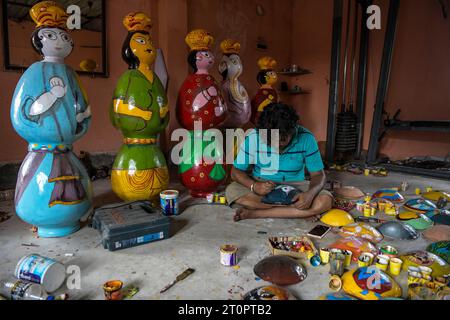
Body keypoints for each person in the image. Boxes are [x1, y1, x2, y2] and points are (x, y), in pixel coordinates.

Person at [225, 103, 333, 221]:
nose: (276, 146)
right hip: (261, 183)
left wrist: (310, 194)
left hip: (297, 186)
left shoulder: (306, 138)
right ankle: (298, 211)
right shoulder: (254, 137)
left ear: (293, 130)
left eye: (282, 140)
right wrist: (254, 186)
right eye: (271, 141)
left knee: (325, 201)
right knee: (232, 191)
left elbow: (318, 175)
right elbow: (235, 171)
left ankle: (256, 213)